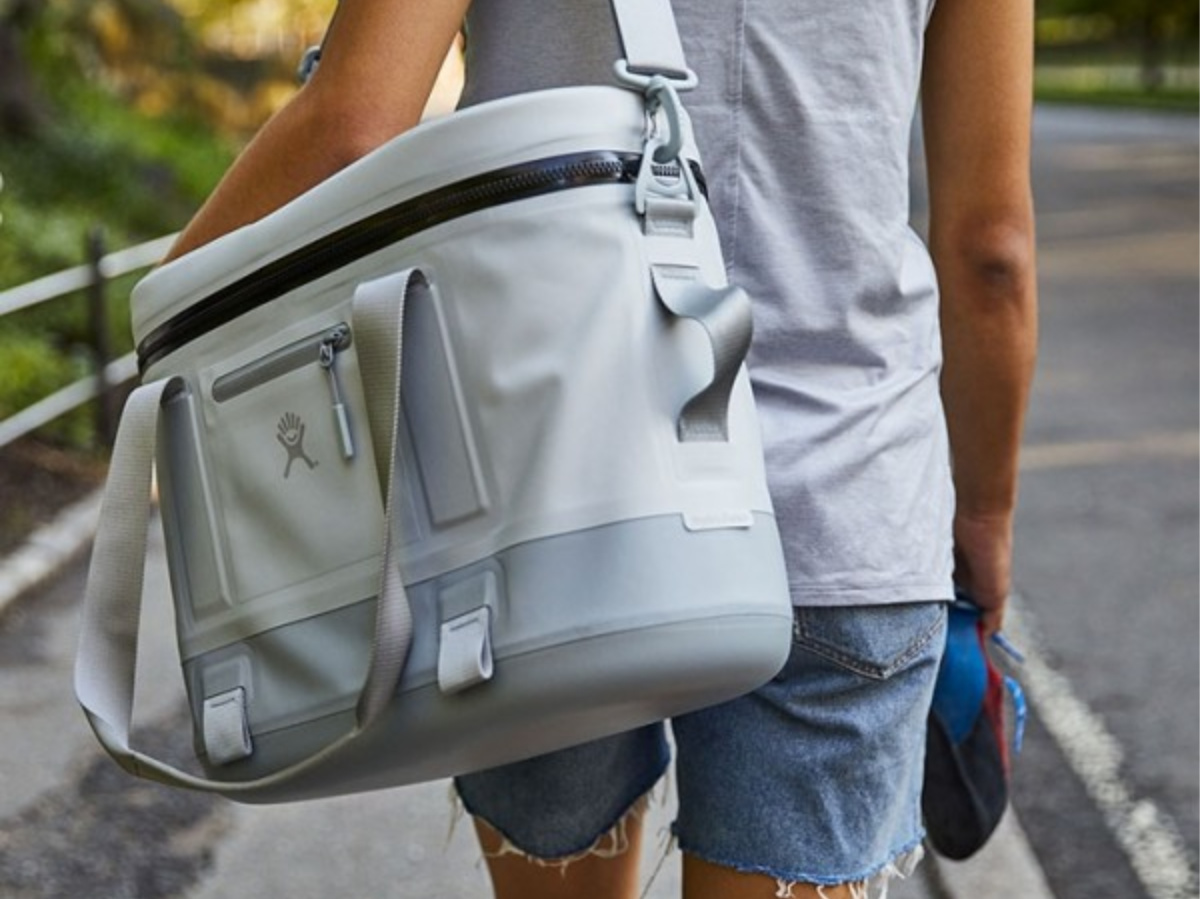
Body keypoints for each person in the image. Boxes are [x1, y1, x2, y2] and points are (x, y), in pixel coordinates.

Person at [164, 1, 1038, 896]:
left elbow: (351, 126)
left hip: (546, 493)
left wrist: (157, 356)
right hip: (845, 484)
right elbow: (989, 252)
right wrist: (984, 510)